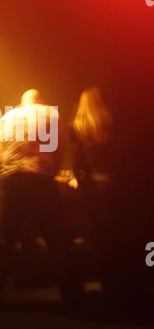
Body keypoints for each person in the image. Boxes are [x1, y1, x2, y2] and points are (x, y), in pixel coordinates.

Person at [0, 89, 74, 308]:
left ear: (21, 103)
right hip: (41, 182)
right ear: (40, 101)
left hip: (12, 183)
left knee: (4, 240)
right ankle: (72, 296)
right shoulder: (51, 114)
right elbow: (58, 148)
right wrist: (51, 172)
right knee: (57, 240)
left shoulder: (5, 118)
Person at [69, 86, 117, 300]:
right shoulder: (110, 121)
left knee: (100, 237)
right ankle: (119, 284)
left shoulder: (77, 126)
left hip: (93, 184)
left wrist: (82, 183)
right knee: (114, 235)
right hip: (113, 180)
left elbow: (76, 161)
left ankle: (107, 287)